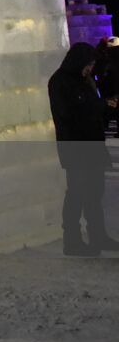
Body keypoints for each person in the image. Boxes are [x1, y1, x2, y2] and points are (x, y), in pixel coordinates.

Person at [49, 42, 118, 255]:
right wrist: (102, 105)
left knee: (94, 194)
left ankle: (98, 237)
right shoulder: (60, 82)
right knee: (77, 194)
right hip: (76, 148)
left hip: (92, 146)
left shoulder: (83, 80)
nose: (90, 68)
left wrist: (106, 108)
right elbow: (71, 112)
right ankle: (72, 241)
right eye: (89, 64)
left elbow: (90, 109)